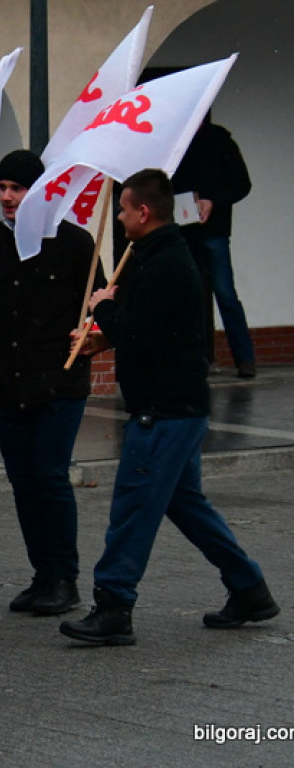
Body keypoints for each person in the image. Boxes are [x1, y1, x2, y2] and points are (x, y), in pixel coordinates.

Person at [60, 169, 279, 646]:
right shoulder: (156, 256)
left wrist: (103, 307)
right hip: (179, 405)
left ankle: (114, 604)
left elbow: (138, 334)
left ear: (143, 211)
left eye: (122, 209)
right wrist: (103, 336)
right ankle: (249, 587)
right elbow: (149, 329)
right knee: (187, 505)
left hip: (163, 411)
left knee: (134, 507)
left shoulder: (165, 263)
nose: (118, 219)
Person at [0, 150, 104, 616]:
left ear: (38, 191)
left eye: (17, 188)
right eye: (2, 186)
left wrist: (92, 333)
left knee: (49, 475)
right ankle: (42, 574)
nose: (7, 197)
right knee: (23, 481)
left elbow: (97, 306)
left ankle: (64, 577)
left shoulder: (75, 243)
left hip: (60, 383)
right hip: (10, 384)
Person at [171, 117, 255, 378]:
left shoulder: (220, 141)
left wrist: (212, 201)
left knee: (224, 292)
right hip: (185, 226)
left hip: (213, 230)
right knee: (191, 294)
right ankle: (197, 358)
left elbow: (242, 184)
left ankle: (245, 359)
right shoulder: (176, 140)